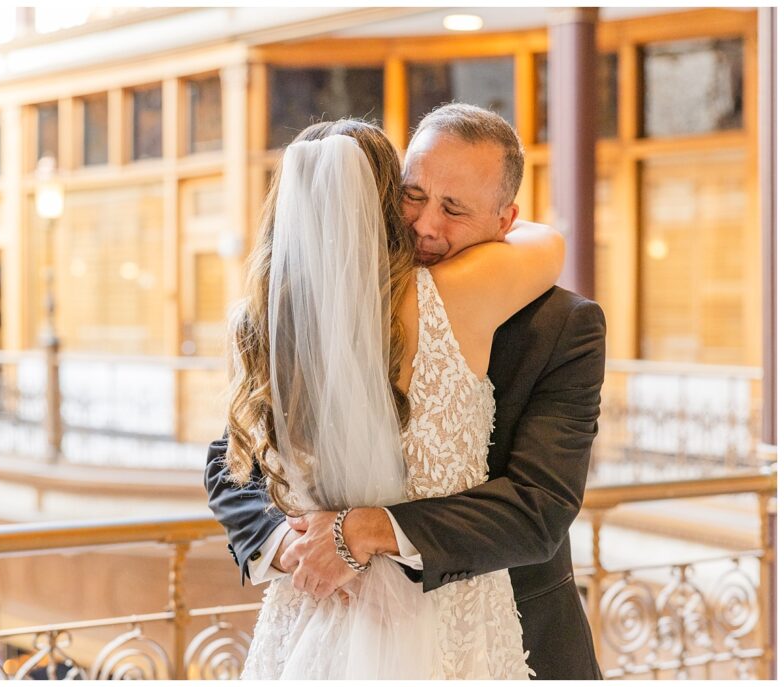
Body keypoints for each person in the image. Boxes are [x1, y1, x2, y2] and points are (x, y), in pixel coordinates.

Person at [206, 103, 606, 680]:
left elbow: (539, 508)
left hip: (506, 629)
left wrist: (361, 531)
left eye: (455, 209)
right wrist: (285, 542)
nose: (425, 226)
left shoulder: (563, 324)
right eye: (413, 195)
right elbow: (232, 459)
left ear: (505, 220)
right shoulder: (320, 313)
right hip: (324, 619)